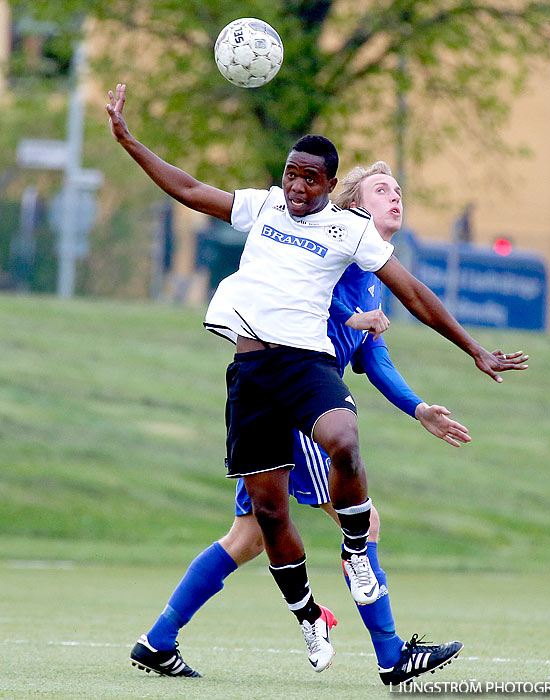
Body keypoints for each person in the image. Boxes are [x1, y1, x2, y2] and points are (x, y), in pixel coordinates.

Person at [106, 84, 528, 676]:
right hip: (252, 371)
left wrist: (472, 351)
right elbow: (190, 189)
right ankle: (175, 639)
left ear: (330, 188)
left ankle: (375, 621)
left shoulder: (355, 244)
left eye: (310, 179)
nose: (298, 187)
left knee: (339, 455)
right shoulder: (268, 207)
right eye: (291, 176)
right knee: (259, 527)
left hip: (306, 368)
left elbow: (409, 305)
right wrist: (130, 141)